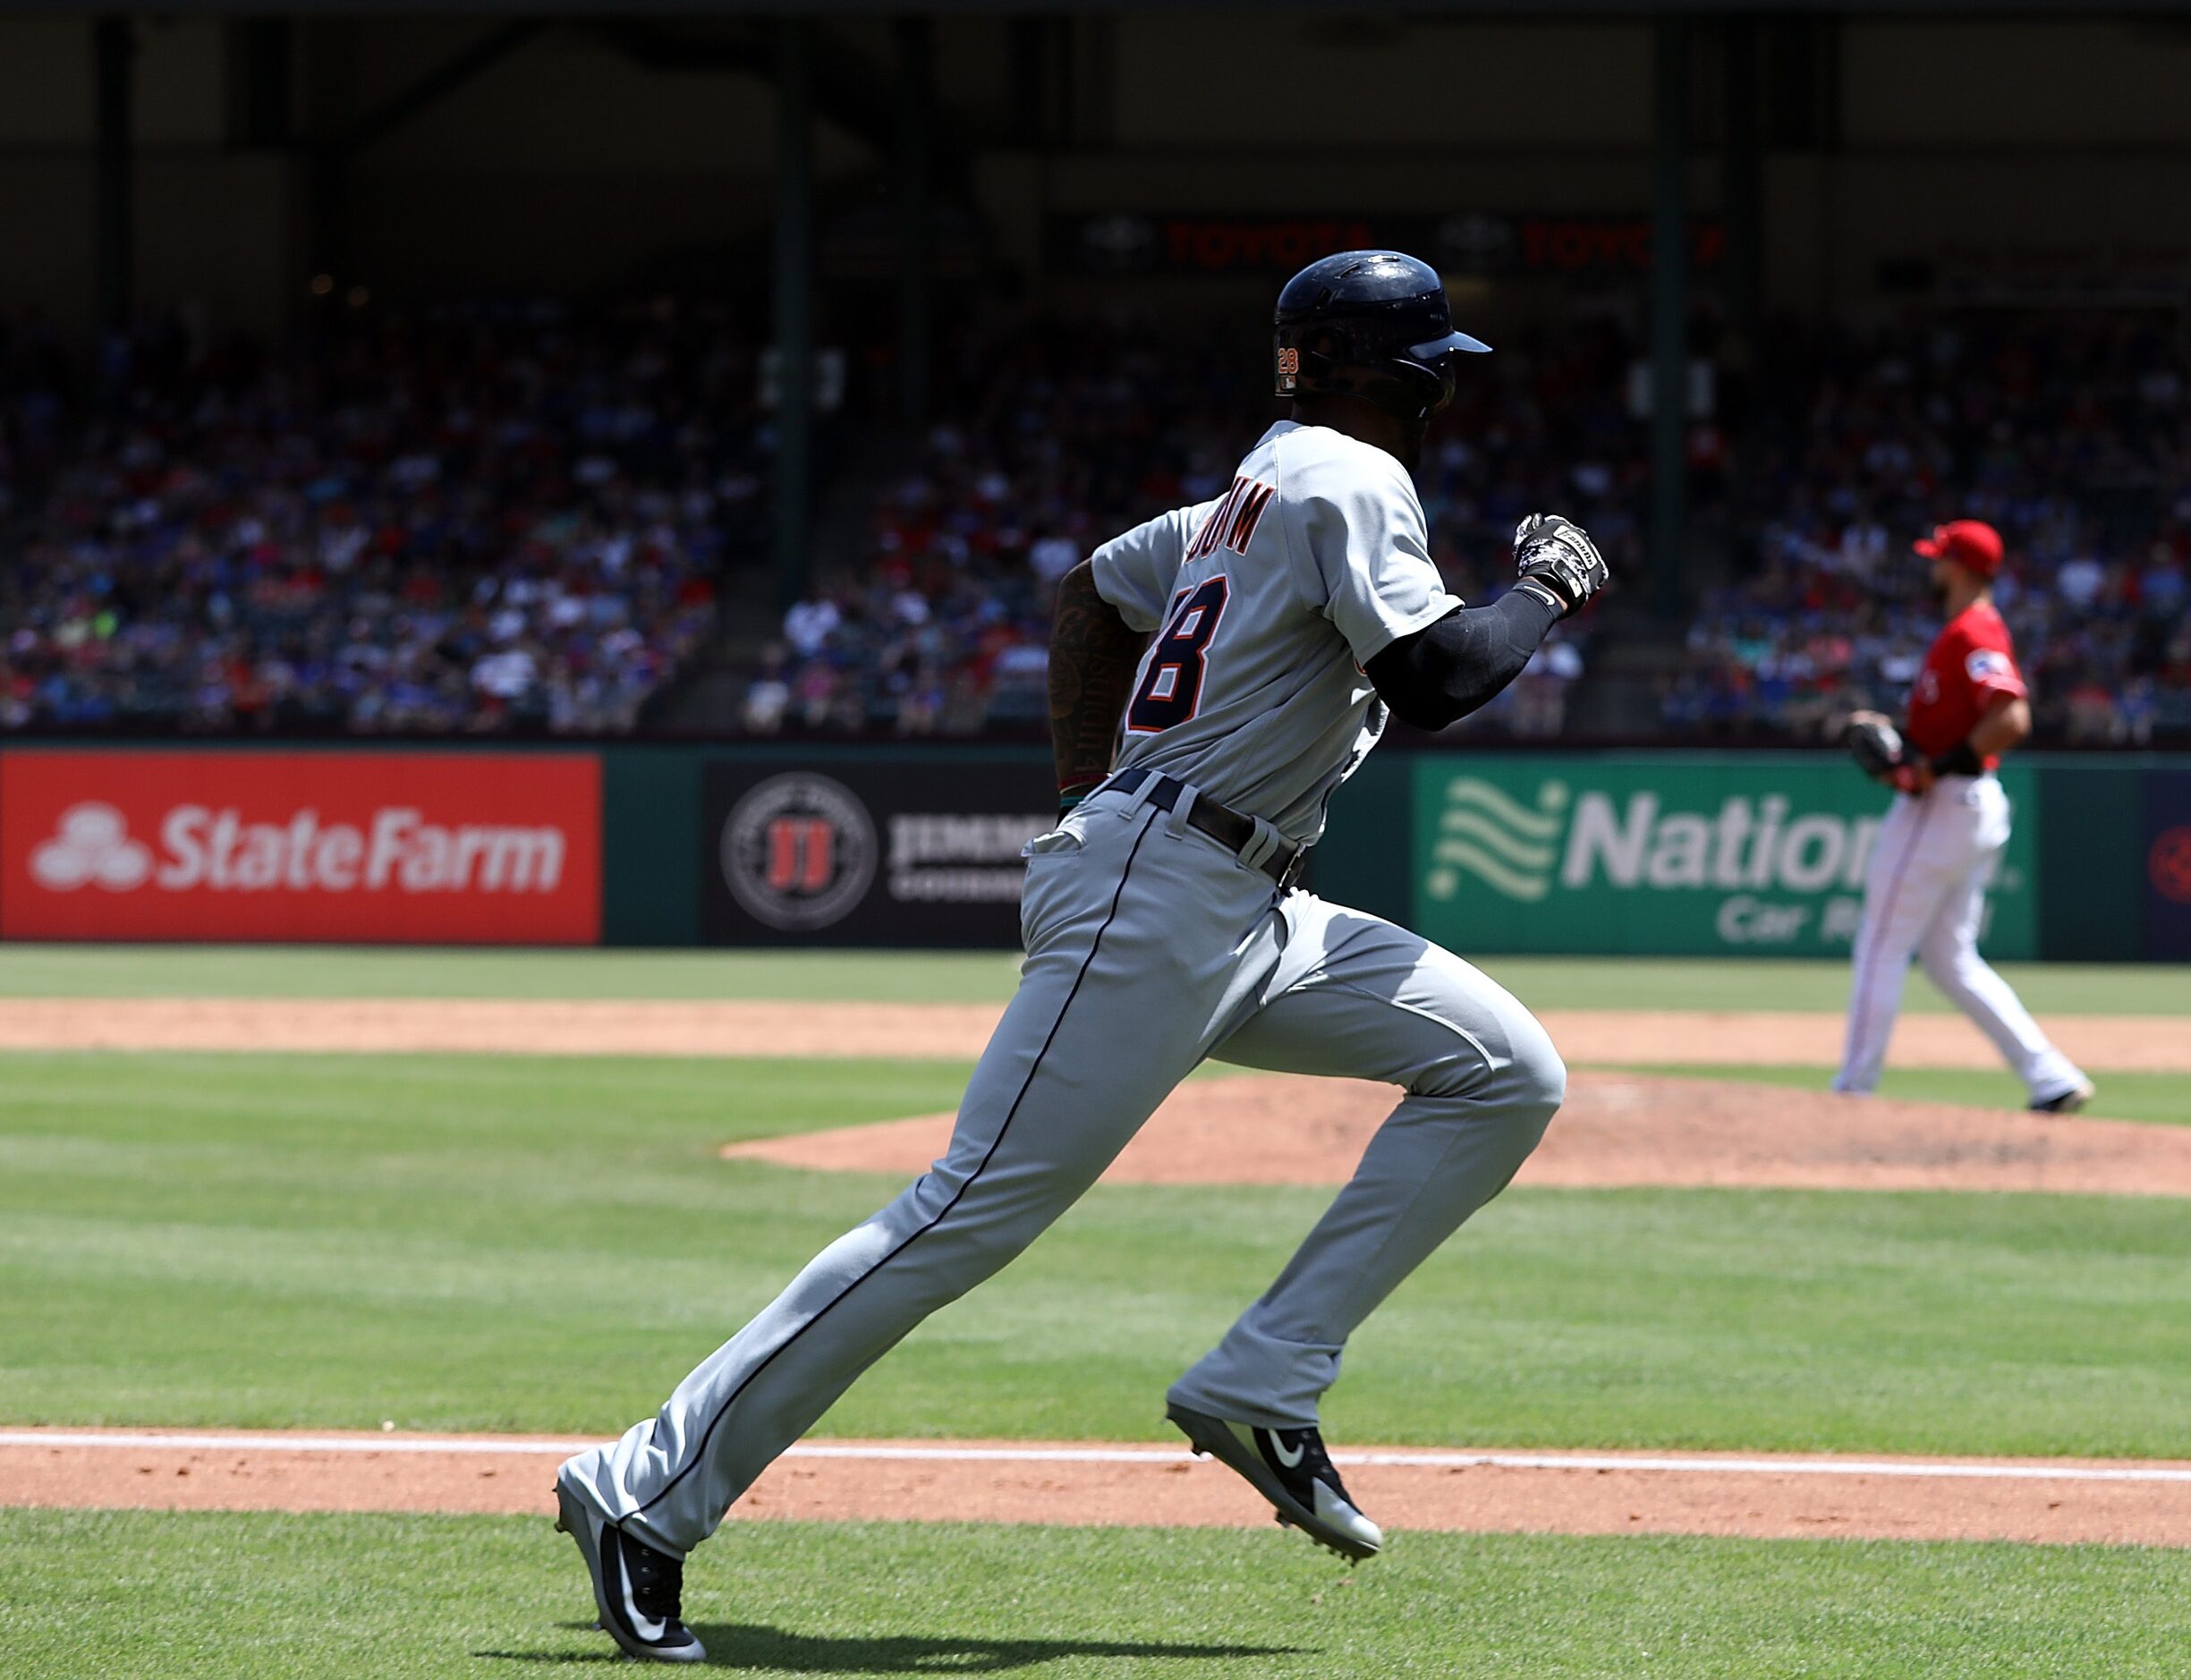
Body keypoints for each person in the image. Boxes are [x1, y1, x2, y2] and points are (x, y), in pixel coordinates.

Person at [550, 250, 1606, 1663]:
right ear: (1390, 375)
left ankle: (1264, 1378)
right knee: (958, 1212)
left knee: (1501, 1068)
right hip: (1164, 893)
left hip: (1241, 901)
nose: (1443, 398)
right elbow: (1437, 681)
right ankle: (644, 1491)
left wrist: (1083, 795)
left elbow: (1083, 596)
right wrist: (1545, 588)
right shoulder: (1346, 479)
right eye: (1434, 371)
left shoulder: (1250, 493)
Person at [1833, 519, 2093, 1113]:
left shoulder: (1973, 631)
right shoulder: (1969, 630)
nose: (1932, 568)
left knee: (1880, 944)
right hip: (1967, 801)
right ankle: (2049, 1075)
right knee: (1950, 958)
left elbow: (2012, 718)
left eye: (1939, 559)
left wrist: (1931, 768)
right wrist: (1905, 741)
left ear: (1961, 569)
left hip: (1944, 804)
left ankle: (1851, 1091)